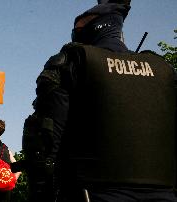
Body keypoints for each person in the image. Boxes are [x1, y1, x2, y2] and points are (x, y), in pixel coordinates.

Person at [22, 0, 177, 201]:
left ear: (96, 25)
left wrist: (41, 194)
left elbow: (44, 141)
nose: (74, 30)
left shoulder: (72, 61)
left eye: (79, 25)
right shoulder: (165, 70)